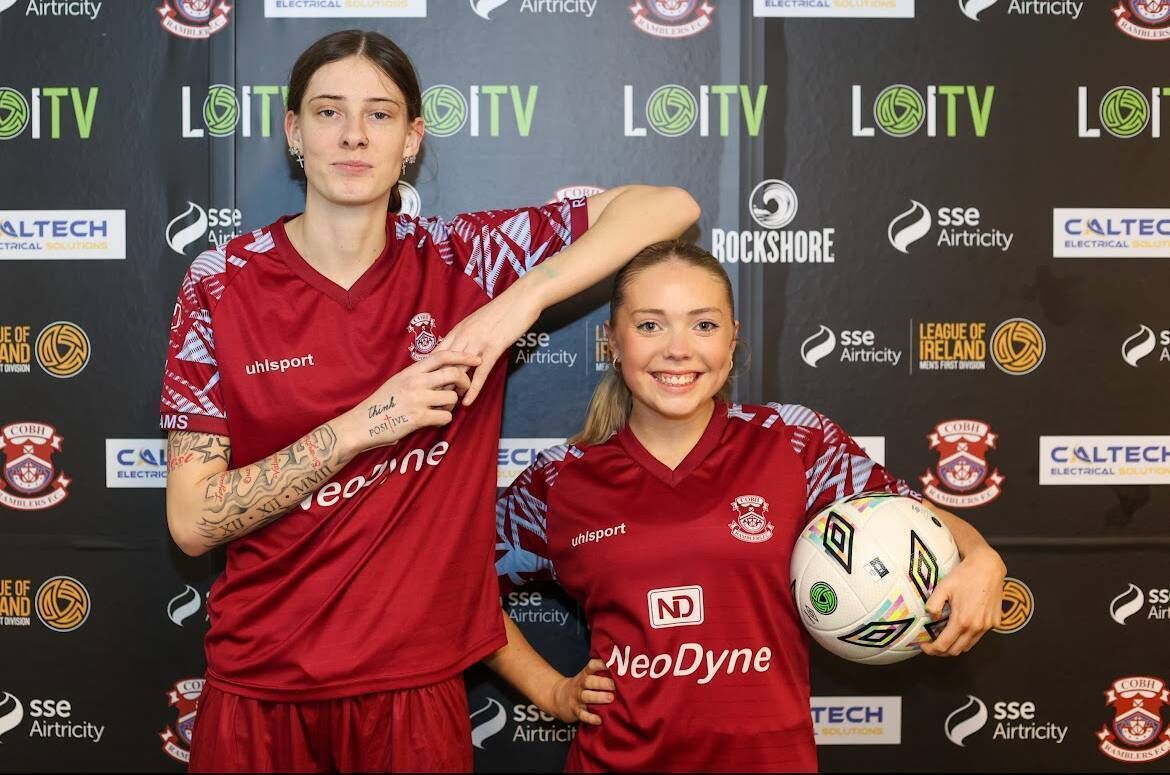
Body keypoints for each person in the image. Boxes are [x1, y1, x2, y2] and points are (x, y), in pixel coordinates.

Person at [160, 30, 699, 773]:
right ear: (294, 132)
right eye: (328, 112)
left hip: (413, 693)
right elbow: (191, 522)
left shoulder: (464, 260)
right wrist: (364, 424)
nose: (353, 135)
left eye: (380, 115)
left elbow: (668, 205)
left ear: (412, 139)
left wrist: (519, 302)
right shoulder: (222, 281)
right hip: (261, 686)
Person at [489, 240, 1007, 773]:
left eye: (703, 325)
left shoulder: (797, 443)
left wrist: (982, 556)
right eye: (649, 325)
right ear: (612, 341)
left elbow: (916, 517)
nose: (678, 349)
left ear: (732, 340)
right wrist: (551, 691)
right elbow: (460, 585)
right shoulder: (560, 480)